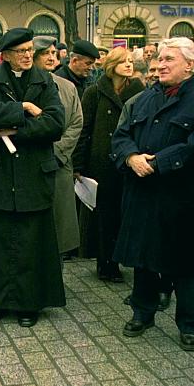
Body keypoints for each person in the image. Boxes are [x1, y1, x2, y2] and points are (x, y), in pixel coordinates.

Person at [111, 37, 194, 352]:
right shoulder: (144, 98)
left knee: (184, 263)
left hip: (180, 197)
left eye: (168, 60)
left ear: (190, 64)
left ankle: (188, 324)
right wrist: (131, 157)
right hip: (142, 193)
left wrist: (158, 163)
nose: (159, 65)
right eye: (159, 59)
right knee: (143, 258)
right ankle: (142, 313)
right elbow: (121, 137)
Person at [0, 27, 67, 328]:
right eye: (21, 51)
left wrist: (15, 131)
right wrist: (22, 108)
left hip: (33, 176)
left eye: (29, 50)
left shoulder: (44, 81)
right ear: (5, 56)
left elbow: (55, 123)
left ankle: (28, 304)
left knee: (30, 244)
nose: (27, 56)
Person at [74, 47, 145, 282]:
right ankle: (105, 263)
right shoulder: (94, 92)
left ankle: (122, 258)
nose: (128, 65)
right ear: (110, 65)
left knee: (125, 213)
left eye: (130, 61)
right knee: (104, 215)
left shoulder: (139, 91)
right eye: (123, 61)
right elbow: (84, 130)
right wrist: (79, 164)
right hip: (101, 163)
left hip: (128, 160)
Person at [31, 36, 82, 258]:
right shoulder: (25, 85)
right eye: (45, 53)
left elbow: (76, 123)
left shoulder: (67, 87)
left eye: (53, 53)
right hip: (31, 165)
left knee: (59, 229)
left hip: (59, 165)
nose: (52, 57)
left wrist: (57, 152)